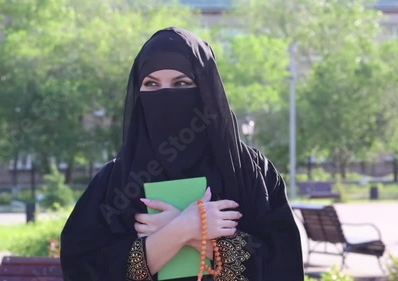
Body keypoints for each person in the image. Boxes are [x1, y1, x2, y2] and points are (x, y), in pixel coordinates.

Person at [60, 27, 304, 281]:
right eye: (151, 83)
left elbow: (283, 265)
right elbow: (85, 267)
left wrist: (199, 237)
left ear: (207, 91)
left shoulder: (252, 174)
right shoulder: (115, 183)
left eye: (182, 83)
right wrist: (182, 228)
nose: (165, 95)